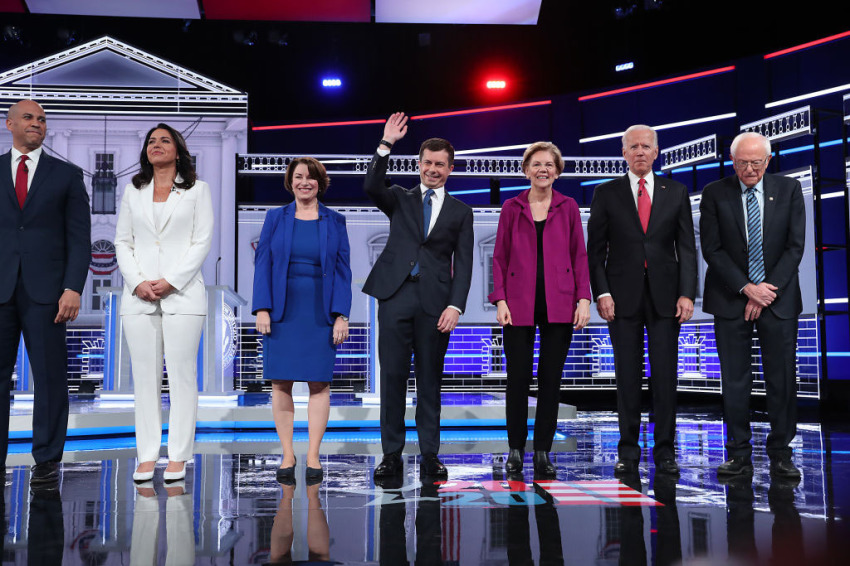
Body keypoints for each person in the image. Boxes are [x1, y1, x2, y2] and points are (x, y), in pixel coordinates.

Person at [363, 112, 474, 479]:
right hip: (395, 297)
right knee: (392, 378)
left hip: (435, 306)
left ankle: (430, 455)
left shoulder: (461, 212)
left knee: (430, 382)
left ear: (450, 169)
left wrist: (456, 305)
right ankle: (391, 455)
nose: (433, 169)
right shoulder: (399, 198)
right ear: (419, 164)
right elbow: (371, 185)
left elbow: (465, 263)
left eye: (440, 164)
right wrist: (386, 143)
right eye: (428, 162)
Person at [586, 124, 697, 477]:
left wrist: (687, 293)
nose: (639, 152)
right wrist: (602, 292)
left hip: (667, 298)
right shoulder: (606, 193)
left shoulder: (676, 192)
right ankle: (628, 452)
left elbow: (687, 248)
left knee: (665, 377)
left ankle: (665, 451)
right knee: (627, 377)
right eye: (633, 146)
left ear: (656, 152)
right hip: (621, 299)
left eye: (645, 146)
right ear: (623, 153)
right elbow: (595, 251)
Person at [699, 131, 804, 479]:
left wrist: (765, 292)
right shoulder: (714, 193)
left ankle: (781, 454)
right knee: (734, 380)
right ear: (732, 162)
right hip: (730, 299)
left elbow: (795, 246)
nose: (749, 169)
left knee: (781, 379)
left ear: (768, 160)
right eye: (742, 163)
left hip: (778, 299)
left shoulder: (789, 190)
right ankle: (738, 454)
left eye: (756, 163)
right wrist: (747, 289)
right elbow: (712, 249)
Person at [115, 123, 214, 483]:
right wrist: (137, 281)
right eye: (151, 141)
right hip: (138, 296)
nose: (156, 145)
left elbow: (201, 241)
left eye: (164, 140)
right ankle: (146, 454)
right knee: (145, 380)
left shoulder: (198, 190)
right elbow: (122, 241)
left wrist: (171, 280)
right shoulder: (133, 190)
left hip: (183, 294)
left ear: (178, 150)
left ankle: (178, 456)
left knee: (182, 378)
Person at [0, 99, 91, 486]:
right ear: (10, 124)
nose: (37, 123)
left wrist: (72, 287)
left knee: (50, 379)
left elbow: (80, 238)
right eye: (28, 117)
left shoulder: (66, 175)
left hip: (50, 294)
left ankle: (48, 460)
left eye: (41, 119)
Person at [488, 141, 591, 477]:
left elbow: (579, 255)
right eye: (536, 164)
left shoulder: (569, 206)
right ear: (526, 170)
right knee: (517, 379)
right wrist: (500, 300)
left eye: (549, 164)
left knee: (551, 380)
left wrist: (584, 299)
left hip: (559, 302)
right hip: (517, 303)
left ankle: (543, 451)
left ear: (557, 171)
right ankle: (515, 449)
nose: (543, 170)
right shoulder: (511, 207)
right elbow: (499, 257)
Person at [252, 157, 352, 484]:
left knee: (319, 383)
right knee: (281, 382)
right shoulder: (274, 218)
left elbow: (343, 271)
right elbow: (263, 264)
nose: (304, 182)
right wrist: (262, 308)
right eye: (298, 177)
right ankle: (287, 454)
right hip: (282, 311)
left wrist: (341, 315)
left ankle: (312, 455)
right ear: (290, 182)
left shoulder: (335, 221)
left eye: (311, 177)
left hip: (320, 311)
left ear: (320, 183)